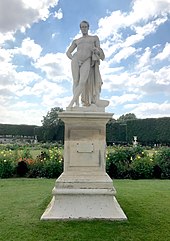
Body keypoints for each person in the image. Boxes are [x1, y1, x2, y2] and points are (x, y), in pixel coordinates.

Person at [66, 20, 105, 108]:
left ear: (88, 28)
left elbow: (99, 50)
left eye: (85, 27)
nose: (84, 28)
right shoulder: (76, 40)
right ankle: (76, 104)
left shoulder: (94, 38)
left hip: (87, 60)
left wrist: (97, 50)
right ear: (80, 28)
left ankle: (71, 103)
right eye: (82, 27)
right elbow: (68, 52)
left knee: (82, 82)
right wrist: (73, 59)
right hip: (76, 59)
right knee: (75, 81)